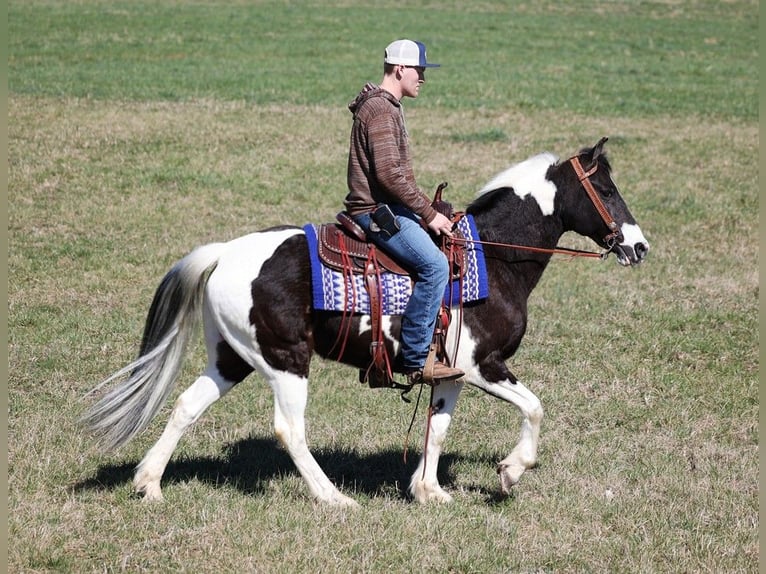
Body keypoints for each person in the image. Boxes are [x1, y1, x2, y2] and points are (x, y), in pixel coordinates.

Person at [344, 39, 464, 385]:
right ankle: (415, 359)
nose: (423, 77)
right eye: (419, 70)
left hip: (390, 205)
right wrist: (429, 214)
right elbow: (389, 175)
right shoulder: (381, 110)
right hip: (375, 212)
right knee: (435, 266)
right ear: (400, 69)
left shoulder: (386, 106)